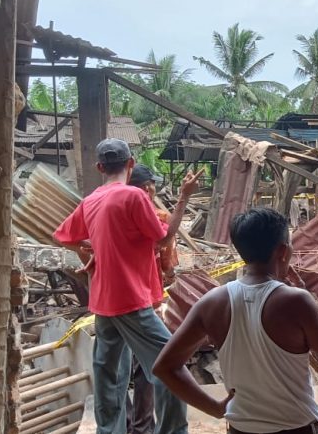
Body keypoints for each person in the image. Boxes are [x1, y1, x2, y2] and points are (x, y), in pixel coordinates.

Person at [153, 207, 318, 434]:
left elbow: (165, 367)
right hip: (296, 428)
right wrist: (310, 309)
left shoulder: (211, 303)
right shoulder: (296, 301)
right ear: (283, 251)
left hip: (240, 428)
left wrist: (215, 408)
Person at [55, 138, 200, 434]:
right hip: (131, 301)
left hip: (103, 302)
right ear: (131, 163)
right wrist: (184, 197)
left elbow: (65, 236)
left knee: (110, 376)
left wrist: (93, 250)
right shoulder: (133, 197)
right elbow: (163, 238)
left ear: (99, 168)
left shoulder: (91, 200)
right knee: (170, 368)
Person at [124, 164, 179, 434]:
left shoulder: (112, 214)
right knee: (151, 365)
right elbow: (169, 267)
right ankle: (143, 425)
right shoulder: (160, 218)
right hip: (146, 301)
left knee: (117, 366)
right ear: (147, 188)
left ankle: (127, 423)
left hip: (115, 303)